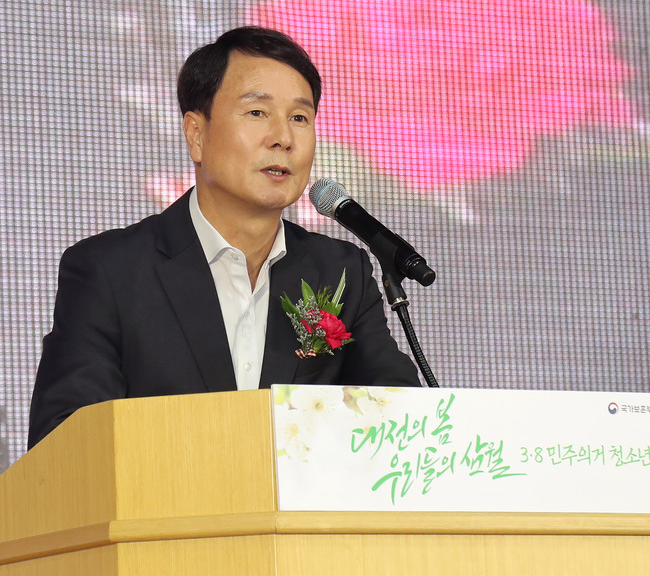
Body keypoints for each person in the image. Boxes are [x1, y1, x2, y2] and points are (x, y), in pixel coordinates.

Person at [27, 26, 421, 450]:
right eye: (257, 112)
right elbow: (65, 444)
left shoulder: (342, 271)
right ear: (196, 134)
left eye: (299, 118)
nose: (283, 138)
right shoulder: (111, 271)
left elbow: (400, 424)